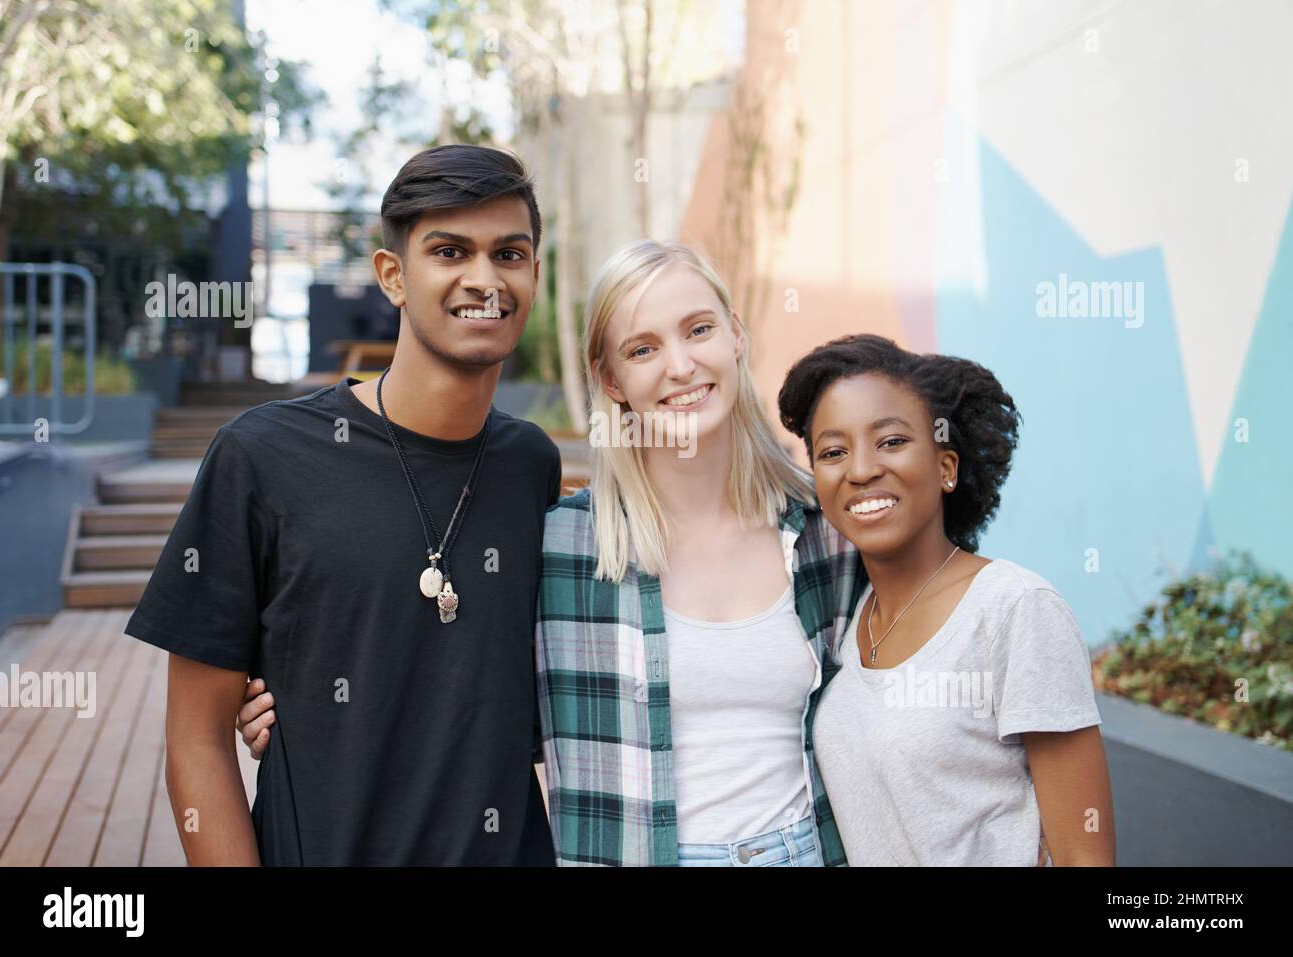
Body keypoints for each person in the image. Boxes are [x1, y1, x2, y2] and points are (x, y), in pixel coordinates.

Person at [241, 240, 865, 867]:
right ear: (610, 380)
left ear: (734, 334)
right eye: (642, 348)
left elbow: (897, 690)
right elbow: (454, 671)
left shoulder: (825, 532)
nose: (680, 366)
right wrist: (304, 698)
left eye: (698, 330)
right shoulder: (563, 546)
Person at [126, 144, 561, 865]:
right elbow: (195, 739)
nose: (484, 279)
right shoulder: (261, 456)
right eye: (450, 251)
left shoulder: (531, 465)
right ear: (393, 275)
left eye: (509, 253)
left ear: (535, 275)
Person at [777, 333, 1116, 865]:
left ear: (946, 468)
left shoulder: (1014, 609)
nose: (861, 470)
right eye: (834, 451)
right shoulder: (848, 621)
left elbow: (1083, 854)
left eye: (891, 441)